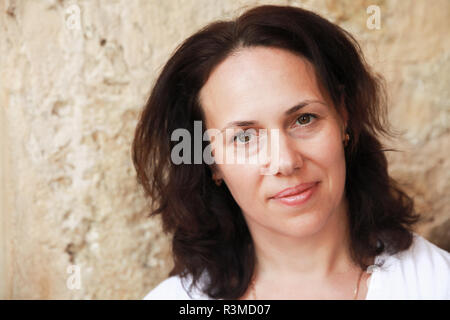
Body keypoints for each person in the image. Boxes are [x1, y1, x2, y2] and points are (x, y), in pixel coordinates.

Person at [132, 5, 450, 300]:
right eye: (244, 137)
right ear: (210, 159)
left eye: (303, 119)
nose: (286, 161)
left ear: (344, 117)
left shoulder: (435, 283)